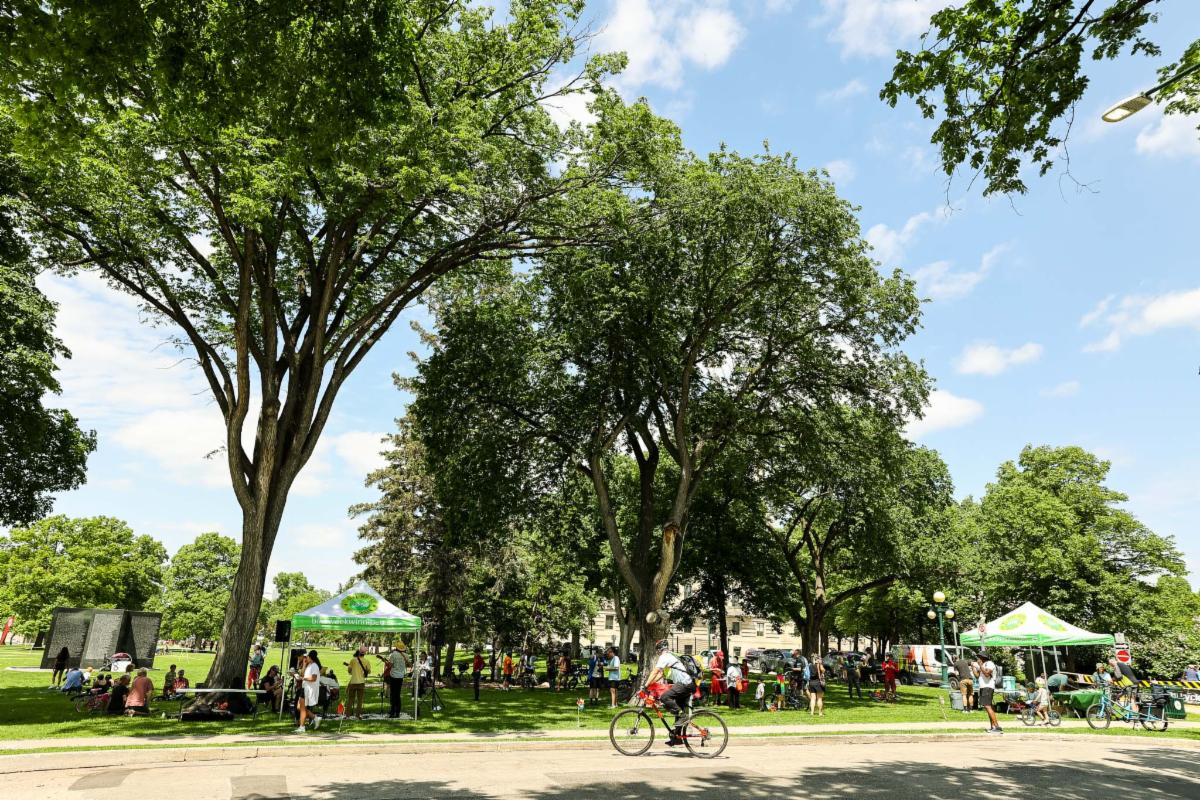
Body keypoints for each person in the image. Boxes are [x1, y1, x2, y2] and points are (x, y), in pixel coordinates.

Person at [642, 639, 695, 745]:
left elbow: (655, 671)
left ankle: (684, 716)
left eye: (657, 649)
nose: (656, 651)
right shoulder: (669, 656)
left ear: (659, 649)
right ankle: (677, 738)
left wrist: (645, 685)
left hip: (685, 684)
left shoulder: (664, 656)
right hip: (686, 684)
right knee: (677, 710)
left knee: (664, 697)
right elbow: (661, 675)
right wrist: (650, 684)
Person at [972, 651, 1002, 734]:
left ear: (983, 657)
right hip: (983, 687)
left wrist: (980, 665)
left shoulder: (990, 664)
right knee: (988, 707)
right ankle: (992, 727)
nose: (978, 658)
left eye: (979, 657)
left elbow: (987, 674)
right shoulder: (983, 665)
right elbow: (977, 676)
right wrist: (973, 667)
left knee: (987, 706)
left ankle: (997, 727)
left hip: (988, 687)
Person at [295, 650, 322, 733]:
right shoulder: (309, 665)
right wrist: (304, 664)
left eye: (306, 657)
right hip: (305, 687)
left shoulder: (314, 666)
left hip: (308, 689)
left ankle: (302, 727)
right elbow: (302, 674)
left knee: (302, 708)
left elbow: (313, 678)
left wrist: (303, 678)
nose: (305, 658)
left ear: (310, 657)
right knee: (299, 707)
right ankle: (315, 718)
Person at [344, 646, 370, 719]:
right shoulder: (366, 661)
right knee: (360, 700)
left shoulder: (353, 660)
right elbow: (368, 671)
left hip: (353, 682)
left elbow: (349, 670)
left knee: (350, 699)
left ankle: (347, 715)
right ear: (365, 653)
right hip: (361, 682)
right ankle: (357, 715)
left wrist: (353, 672)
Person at [385, 642, 407, 718]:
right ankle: (397, 712)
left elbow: (390, 665)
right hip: (401, 676)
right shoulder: (405, 655)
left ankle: (392, 711)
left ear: (396, 647)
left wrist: (386, 662)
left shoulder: (393, 654)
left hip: (393, 676)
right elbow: (409, 664)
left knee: (393, 694)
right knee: (398, 694)